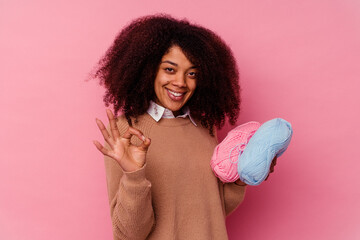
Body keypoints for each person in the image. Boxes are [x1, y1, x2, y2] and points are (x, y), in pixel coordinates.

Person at [92, 14, 275, 240]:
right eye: (170, 69)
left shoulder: (204, 128)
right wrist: (133, 175)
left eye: (192, 74)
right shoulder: (125, 132)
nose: (181, 82)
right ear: (149, 69)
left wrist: (242, 176)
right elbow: (129, 234)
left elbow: (212, 212)